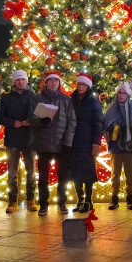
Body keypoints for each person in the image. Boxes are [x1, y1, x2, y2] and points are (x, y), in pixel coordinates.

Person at [0, 70, 38, 213]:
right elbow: (0, 117)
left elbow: (38, 115)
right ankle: (13, 200)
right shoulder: (6, 98)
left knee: (30, 171)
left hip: (30, 139)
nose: (21, 82)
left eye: (23, 80)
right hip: (13, 138)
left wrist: (29, 122)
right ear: (14, 82)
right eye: (18, 80)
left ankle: (31, 199)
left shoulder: (33, 97)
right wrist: (14, 123)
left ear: (26, 81)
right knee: (12, 171)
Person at [33, 70, 76, 215]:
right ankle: (43, 204)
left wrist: (67, 142)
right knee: (43, 177)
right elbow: (31, 118)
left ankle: (62, 202)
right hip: (43, 144)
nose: (53, 83)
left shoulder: (66, 100)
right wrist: (40, 122)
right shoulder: (37, 98)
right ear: (46, 83)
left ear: (59, 83)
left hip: (61, 145)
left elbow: (72, 122)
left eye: (56, 81)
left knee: (62, 175)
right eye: (50, 81)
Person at [70, 73, 104, 213]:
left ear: (88, 86)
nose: (81, 87)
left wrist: (96, 143)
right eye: (79, 84)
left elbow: (98, 123)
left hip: (87, 140)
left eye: (84, 84)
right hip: (73, 140)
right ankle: (80, 198)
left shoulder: (93, 101)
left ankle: (88, 200)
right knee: (75, 170)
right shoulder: (71, 99)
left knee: (88, 171)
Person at [103, 82, 132, 210]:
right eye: (120, 93)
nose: (121, 95)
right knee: (115, 173)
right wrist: (113, 126)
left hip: (130, 145)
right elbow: (106, 122)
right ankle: (114, 197)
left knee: (130, 173)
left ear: (128, 94)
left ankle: (130, 198)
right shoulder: (111, 108)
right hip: (116, 146)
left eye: (124, 93)